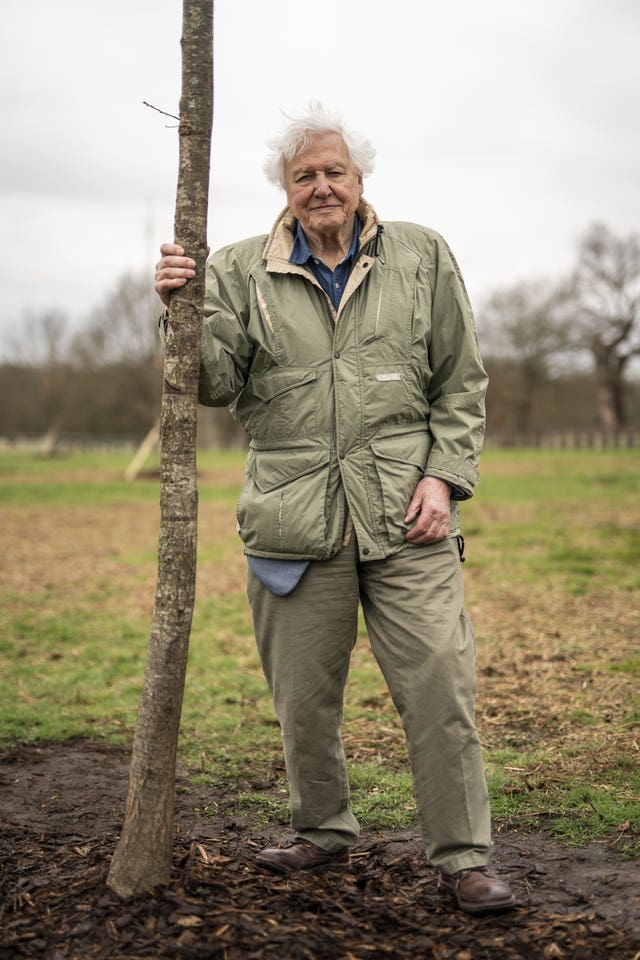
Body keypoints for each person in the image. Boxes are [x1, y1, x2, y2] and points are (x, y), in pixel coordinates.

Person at [155, 103, 515, 915]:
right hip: (292, 520)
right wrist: (178, 308)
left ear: (359, 181)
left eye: (334, 172)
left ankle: (465, 858)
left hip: (409, 517)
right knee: (302, 698)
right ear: (286, 189)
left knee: (439, 689)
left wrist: (444, 479)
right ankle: (321, 832)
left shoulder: (420, 255)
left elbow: (462, 380)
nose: (321, 187)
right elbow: (211, 383)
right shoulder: (240, 268)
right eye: (304, 176)